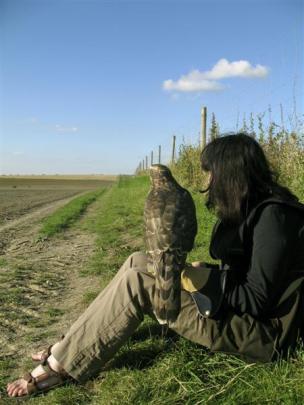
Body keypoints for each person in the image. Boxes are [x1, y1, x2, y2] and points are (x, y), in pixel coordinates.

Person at [7, 133, 304, 397]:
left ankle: (61, 365)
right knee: (139, 260)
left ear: (230, 174)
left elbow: (256, 300)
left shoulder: (274, 218)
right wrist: (211, 272)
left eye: (211, 174)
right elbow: (254, 274)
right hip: (242, 316)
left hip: (264, 337)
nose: (208, 183)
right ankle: (70, 341)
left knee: (141, 283)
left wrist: (199, 276)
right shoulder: (258, 208)